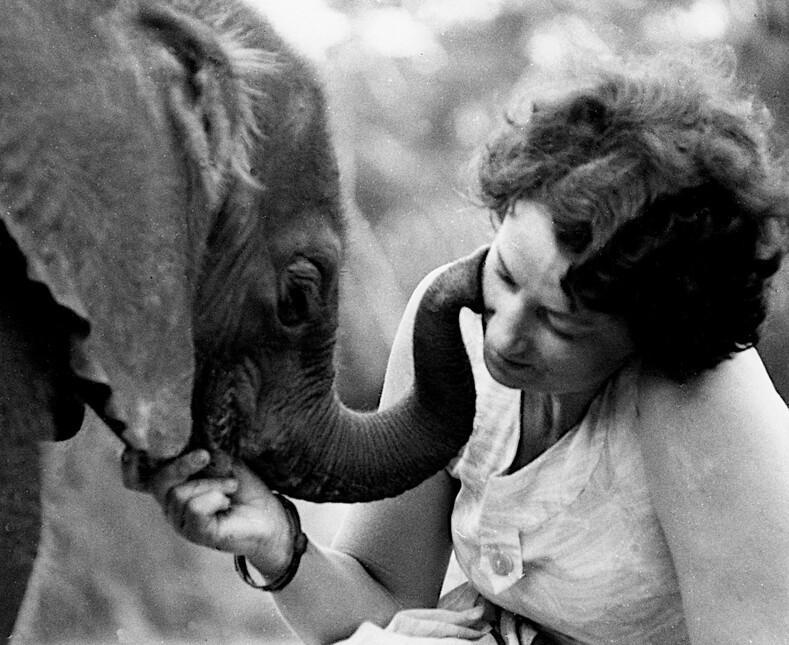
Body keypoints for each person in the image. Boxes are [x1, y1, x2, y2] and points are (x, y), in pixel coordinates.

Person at [124, 50, 789, 645]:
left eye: (560, 323)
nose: (503, 334)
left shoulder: (700, 398)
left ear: (649, 330)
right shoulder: (453, 319)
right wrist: (276, 542)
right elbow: (381, 602)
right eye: (503, 272)